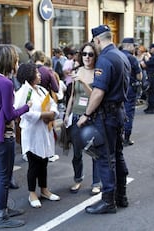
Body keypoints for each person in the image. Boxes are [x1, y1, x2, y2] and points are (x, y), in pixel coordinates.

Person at [77, 25, 130, 214]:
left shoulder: (106, 59)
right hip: (119, 112)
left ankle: (108, 202)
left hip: (107, 115)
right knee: (117, 155)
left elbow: (98, 92)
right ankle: (121, 196)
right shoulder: (122, 55)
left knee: (106, 159)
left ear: (97, 40)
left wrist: (86, 114)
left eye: (94, 43)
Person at [0, 45, 30, 228]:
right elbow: (10, 114)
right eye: (16, 60)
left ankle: (3, 210)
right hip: (3, 136)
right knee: (4, 178)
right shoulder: (6, 83)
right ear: (10, 62)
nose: (18, 63)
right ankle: (1, 217)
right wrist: (27, 106)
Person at [16, 63, 61, 209]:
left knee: (44, 162)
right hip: (32, 133)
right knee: (34, 164)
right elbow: (23, 112)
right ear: (29, 75)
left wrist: (53, 113)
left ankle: (44, 190)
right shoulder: (24, 92)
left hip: (45, 131)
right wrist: (43, 115)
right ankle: (32, 193)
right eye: (37, 73)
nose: (40, 75)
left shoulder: (41, 89)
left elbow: (52, 104)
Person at [63, 42, 102, 195]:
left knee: (93, 152)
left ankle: (96, 183)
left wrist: (83, 81)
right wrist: (67, 114)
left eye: (90, 54)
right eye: (84, 54)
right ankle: (77, 179)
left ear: (95, 56)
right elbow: (72, 96)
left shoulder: (98, 73)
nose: (87, 57)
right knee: (77, 153)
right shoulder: (77, 70)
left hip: (91, 117)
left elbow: (95, 95)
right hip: (76, 117)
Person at [121, 38, 142, 146]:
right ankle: (126, 138)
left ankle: (118, 135)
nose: (135, 48)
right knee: (129, 112)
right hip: (129, 89)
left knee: (118, 111)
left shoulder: (117, 55)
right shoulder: (132, 59)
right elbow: (139, 76)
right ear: (129, 46)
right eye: (134, 46)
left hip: (118, 89)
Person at [140, 43, 154, 114]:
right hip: (153, 75)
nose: (149, 49)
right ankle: (150, 107)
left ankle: (152, 108)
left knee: (151, 93)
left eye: (151, 48)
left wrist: (142, 61)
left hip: (152, 76)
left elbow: (145, 65)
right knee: (150, 93)